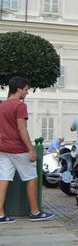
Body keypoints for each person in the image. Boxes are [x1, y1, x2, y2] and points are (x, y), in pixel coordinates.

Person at [0, 76, 55, 223]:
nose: (27, 92)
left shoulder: (2, 106)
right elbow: (22, 128)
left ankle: (0, 214)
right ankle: (35, 212)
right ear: (18, 89)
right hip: (18, 148)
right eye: (26, 89)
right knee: (31, 177)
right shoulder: (20, 106)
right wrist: (31, 149)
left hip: (3, 147)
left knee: (4, 179)